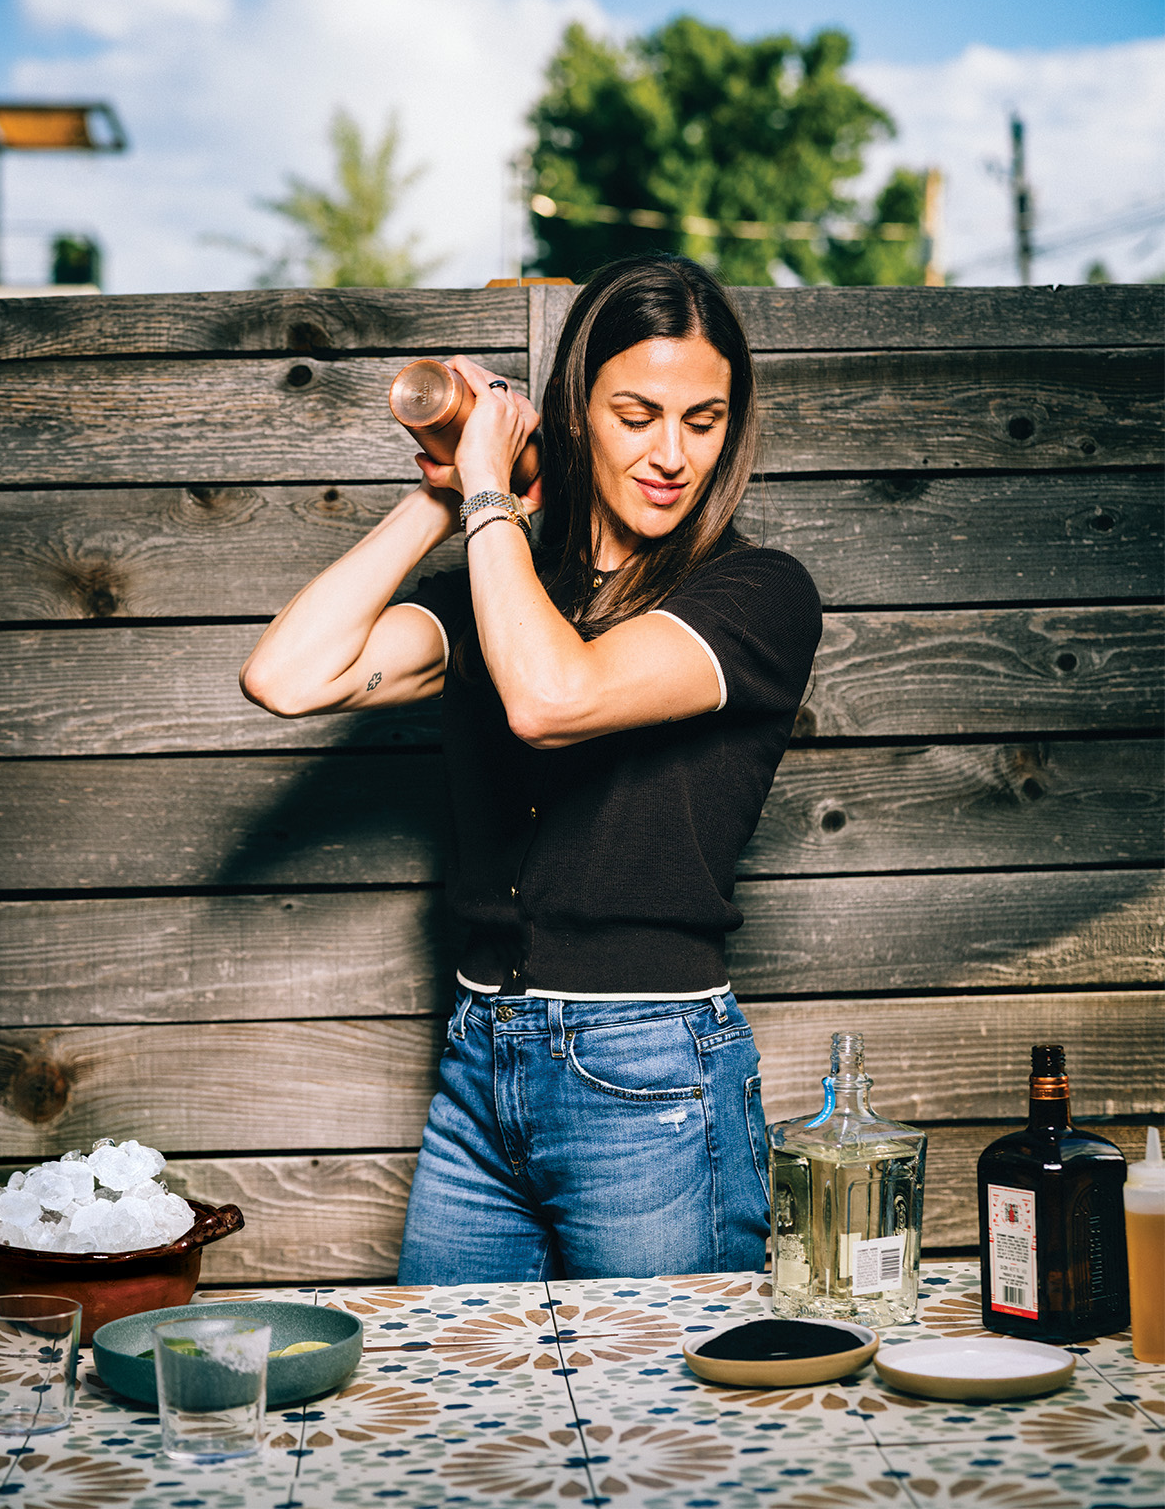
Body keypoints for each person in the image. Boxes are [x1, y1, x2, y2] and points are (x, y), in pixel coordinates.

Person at [240, 254, 821, 1285]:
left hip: (648, 1073)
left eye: (704, 419)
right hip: (478, 1063)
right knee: (463, 1429)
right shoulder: (502, 588)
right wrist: (448, 487)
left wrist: (487, 498)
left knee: (667, 1434)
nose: (672, 454)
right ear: (576, 412)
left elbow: (555, 697)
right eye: (637, 413)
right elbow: (288, 675)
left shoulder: (758, 594)